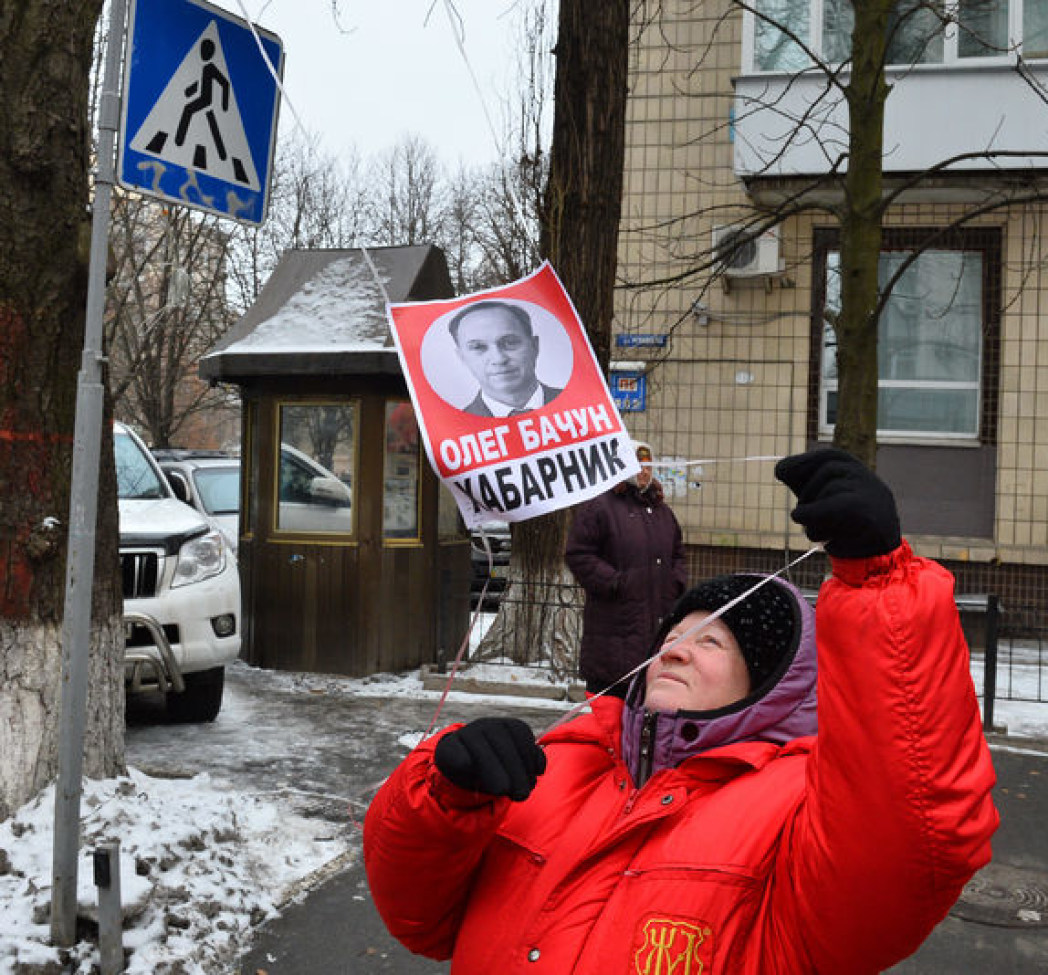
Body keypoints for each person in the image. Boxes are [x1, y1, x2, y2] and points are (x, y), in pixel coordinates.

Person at [363, 448, 999, 974]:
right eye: (673, 637)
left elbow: (911, 830)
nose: (677, 651)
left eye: (712, 641)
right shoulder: (562, 759)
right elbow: (422, 920)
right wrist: (442, 799)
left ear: (769, 685)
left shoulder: (798, 809)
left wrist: (882, 583)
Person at [564, 440, 688, 698]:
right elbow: (579, 553)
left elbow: (678, 553)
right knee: (612, 710)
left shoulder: (662, 512)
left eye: (648, 466)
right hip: (613, 629)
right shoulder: (600, 507)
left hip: (656, 623)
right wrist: (614, 582)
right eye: (637, 466)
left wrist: (675, 583)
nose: (644, 472)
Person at [449, 300, 563, 417]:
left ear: (534, 346)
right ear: (462, 357)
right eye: (478, 347)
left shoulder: (579, 399)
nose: (499, 359)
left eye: (510, 342)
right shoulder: (457, 427)